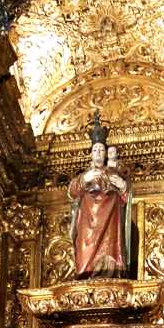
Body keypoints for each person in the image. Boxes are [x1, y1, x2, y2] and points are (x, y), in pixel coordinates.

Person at [68, 113, 131, 279]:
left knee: (109, 247)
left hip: (110, 217)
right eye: (95, 150)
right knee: (85, 247)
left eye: (101, 150)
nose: (98, 153)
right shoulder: (85, 175)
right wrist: (84, 180)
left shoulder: (113, 173)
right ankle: (84, 273)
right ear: (91, 154)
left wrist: (123, 187)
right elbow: (72, 192)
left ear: (105, 154)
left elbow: (125, 197)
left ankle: (109, 272)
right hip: (88, 219)